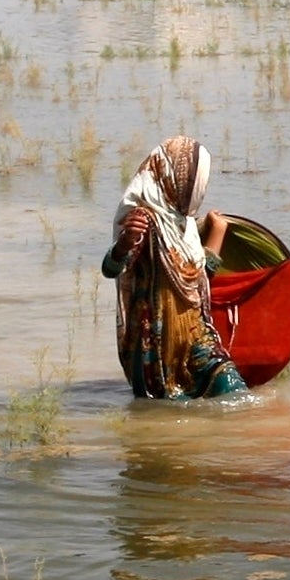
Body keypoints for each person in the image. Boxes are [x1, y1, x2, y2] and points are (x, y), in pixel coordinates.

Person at [103, 135, 247, 400]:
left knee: (234, 393)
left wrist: (218, 232)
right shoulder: (144, 219)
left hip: (197, 336)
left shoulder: (185, 223)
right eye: (195, 182)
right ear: (175, 178)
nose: (198, 191)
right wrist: (124, 244)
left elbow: (197, 280)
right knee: (168, 416)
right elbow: (111, 269)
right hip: (156, 348)